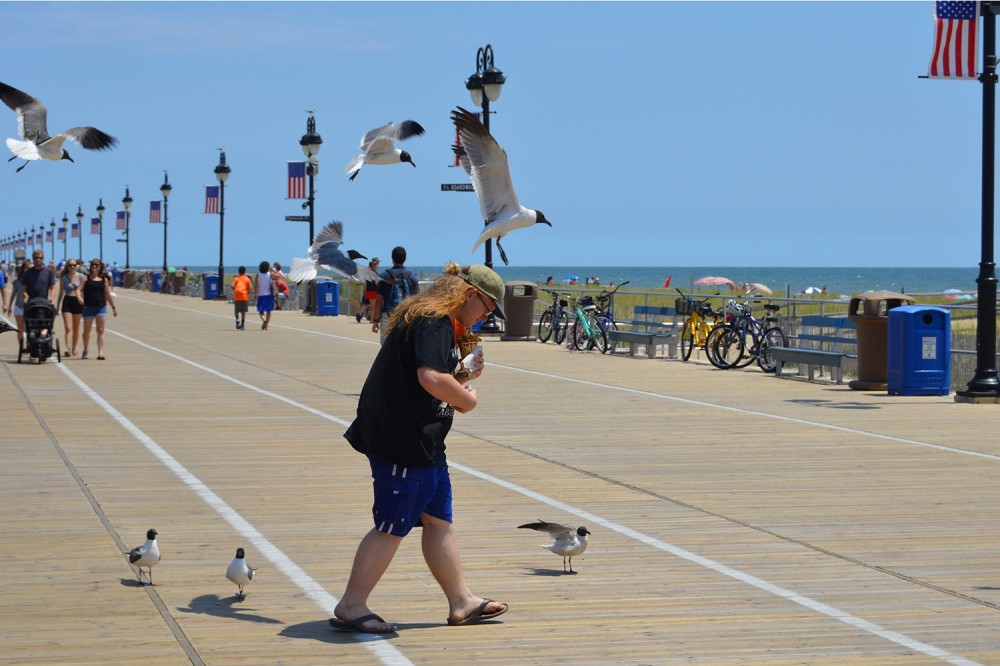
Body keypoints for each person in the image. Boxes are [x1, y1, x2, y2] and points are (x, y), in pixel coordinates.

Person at [333, 265, 509, 634]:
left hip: (425, 442)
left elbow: (433, 377)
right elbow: (429, 378)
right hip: (402, 442)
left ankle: (461, 601)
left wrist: (462, 376)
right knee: (391, 525)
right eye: (488, 306)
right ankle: (352, 604)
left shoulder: (437, 322)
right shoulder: (434, 321)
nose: (488, 315)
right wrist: (468, 399)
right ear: (469, 294)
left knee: (439, 521)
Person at [371, 246, 419, 344]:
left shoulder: (384, 276)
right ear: (405, 259)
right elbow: (417, 301)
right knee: (404, 345)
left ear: (392, 259)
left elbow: (378, 301)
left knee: (386, 346)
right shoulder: (412, 277)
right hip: (406, 316)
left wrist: (375, 320)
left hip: (388, 315)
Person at [77, 259, 117, 360]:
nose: (94, 266)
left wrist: (113, 307)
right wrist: (79, 298)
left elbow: (107, 294)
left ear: (100, 267)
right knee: (87, 331)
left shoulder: (104, 280)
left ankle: (101, 353)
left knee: (101, 330)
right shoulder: (86, 278)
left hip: (101, 307)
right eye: (92, 265)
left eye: (96, 265)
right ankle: (85, 350)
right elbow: (78, 289)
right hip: (88, 307)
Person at [56, 259, 83, 356]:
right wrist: (57, 306)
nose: (72, 267)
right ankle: (67, 348)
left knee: (76, 328)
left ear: (76, 266)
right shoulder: (64, 277)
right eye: (70, 265)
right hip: (67, 301)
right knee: (68, 327)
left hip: (77, 303)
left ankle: (74, 348)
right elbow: (60, 292)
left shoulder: (81, 277)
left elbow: (84, 291)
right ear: (67, 266)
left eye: (74, 265)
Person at [5, 259, 31, 351]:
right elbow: (13, 293)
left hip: (30, 307)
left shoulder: (33, 281)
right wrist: (9, 307)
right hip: (19, 307)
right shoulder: (17, 282)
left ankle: (29, 346)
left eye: (29, 267)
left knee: (29, 328)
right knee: (20, 328)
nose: (27, 269)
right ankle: (21, 347)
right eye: (26, 267)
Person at [356, 257, 380, 323]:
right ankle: (372, 320)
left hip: (369, 291)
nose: (377, 266)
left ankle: (359, 313)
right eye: (376, 264)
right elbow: (376, 283)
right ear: (373, 266)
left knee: (366, 303)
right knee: (373, 306)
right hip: (372, 291)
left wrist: (365, 291)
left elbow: (365, 283)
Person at [254, 260, 274, 330]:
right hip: (269, 294)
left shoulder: (258, 275)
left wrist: (255, 293)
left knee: (261, 311)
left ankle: (264, 320)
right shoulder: (270, 274)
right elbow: (280, 276)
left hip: (261, 294)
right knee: (269, 311)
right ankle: (266, 324)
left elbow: (256, 286)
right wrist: (272, 270)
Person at [232, 266, 251, 330]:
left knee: (236, 310)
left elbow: (232, 285)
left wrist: (235, 290)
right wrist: (247, 292)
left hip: (237, 295)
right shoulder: (247, 279)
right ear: (245, 272)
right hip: (244, 295)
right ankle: (242, 324)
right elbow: (250, 287)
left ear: (239, 272)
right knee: (243, 311)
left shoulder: (236, 278)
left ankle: (237, 319)